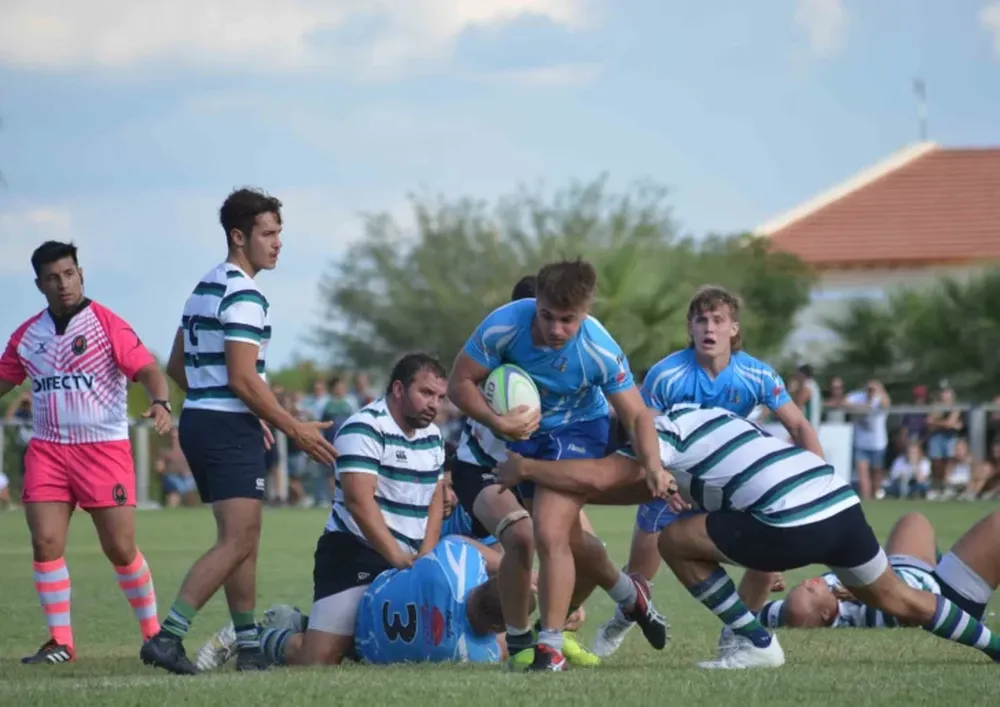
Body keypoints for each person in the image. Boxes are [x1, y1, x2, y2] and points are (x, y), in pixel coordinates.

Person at [496, 405, 1000, 669]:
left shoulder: (661, 435)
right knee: (900, 598)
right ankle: (994, 646)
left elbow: (601, 478)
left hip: (791, 518)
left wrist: (529, 469)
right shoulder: (707, 421)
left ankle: (757, 641)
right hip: (839, 504)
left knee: (674, 541)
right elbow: (624, 487)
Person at [141, 188, 337, 675]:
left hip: (204, 422)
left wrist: (230, 407)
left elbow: (176, 367)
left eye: (279, 233)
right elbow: (244, 377)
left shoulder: (203, 288)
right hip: (227, 427)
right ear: (238, 236)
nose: (277, 244)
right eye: (268, 234)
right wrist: (291, 426)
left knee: (241, 537)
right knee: (237, 541)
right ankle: (168, 637)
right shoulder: (246, 293)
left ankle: (249, 646)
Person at [448, 258, 668, 672]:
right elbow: (458, 382)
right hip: (486, 456)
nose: (555, 329)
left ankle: (549, 645)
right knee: (532, 539)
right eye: (547, 316)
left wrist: (653, 465)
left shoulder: (598, 350)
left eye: (568, 320)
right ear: (536, 302)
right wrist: (497, 421)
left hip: (571, 436)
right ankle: (532, 640)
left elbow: (637, 415)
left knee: (551, 534)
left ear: (585, 312)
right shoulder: (504, 326)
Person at [593, 285, 824, 659]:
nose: (709, 328)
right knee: (640, 580)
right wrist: (660, 476)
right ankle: (623, 619)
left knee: (766, 563)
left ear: (734, 328)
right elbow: (643, 429)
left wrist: (815, 481)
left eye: (718, 320)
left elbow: (798, 427)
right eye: (701, 320)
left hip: (731, 488)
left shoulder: (757, 375)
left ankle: (739, 637)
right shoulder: (666, 375)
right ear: (690, 328)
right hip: (674, 486)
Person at [0, 240, 173, 664]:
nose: (64, 284)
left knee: (119, 547)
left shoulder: (107, 324)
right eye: (54, 278)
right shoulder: (27, 336)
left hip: (103, 450)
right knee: (45, 541)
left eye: (70, 274)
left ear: (81, 274)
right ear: (39, 283)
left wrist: (161, 400)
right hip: (48, 451)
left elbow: (148, 368)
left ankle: (154, 636)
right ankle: (61, 641)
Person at [285, 353, 448, 667]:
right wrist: (398, 559)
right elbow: (359, 502)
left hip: (409, 557)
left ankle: (340, 634)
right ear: (398, 389)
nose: (434, 404)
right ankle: (275, 634)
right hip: (355, 550)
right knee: (318, 662)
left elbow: (436, 497)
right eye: (426, 393)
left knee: (402, 653)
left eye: (440, 397)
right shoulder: (364, 427)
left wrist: (424, 558)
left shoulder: (433, 435)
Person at [194, 536, 529, 670]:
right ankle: (250, 635)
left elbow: (455, 543)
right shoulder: (475, 654)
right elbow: (503, 643)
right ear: (499, 628)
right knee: (307, 655)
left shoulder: (457, 562)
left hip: (370, 592)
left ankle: (298, 622)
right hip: (367, 648)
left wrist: (510, 568)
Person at [760, 511, 942, 629]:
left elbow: (748, 610)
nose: (808, 581)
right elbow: (913, 609)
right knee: (913, 520)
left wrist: (763, 581)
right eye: (810, 589)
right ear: (825, 614)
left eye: (800, 586)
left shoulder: (791, 613)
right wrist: (869, 593)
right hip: (915, 579)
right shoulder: (867, 614)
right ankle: (943, 572)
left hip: (891, 569)